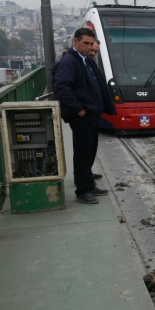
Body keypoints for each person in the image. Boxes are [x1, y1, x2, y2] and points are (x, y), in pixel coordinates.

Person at [53, 27, 115, 204]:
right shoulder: (69, 62)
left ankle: (88, 183)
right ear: (76, 41)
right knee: (82, 152)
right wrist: (79, 109)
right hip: (82, 115)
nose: (89, 47)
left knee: (89, 150)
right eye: (85, 43)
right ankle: (83, 191)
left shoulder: (85, 60)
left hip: (91, 113)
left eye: (91, 44)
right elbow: (62, 88)